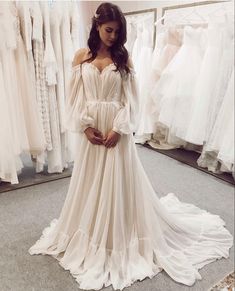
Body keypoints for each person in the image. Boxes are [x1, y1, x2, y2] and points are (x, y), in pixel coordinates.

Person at [29, 2, 233, 290]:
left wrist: (119, 129)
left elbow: (131, 100)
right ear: (97, 26)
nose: (113, 36)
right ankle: (88, 229)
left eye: (117, 32)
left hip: (115, 128)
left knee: (116, 181)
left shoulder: (124, 58)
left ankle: (116, 234)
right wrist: (85, 126)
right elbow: (73, 98)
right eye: (108, 30)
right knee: (90, 180)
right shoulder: (80, 57)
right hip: (92, 129)